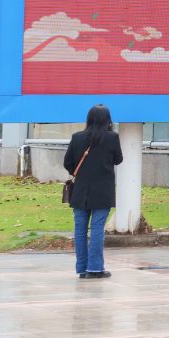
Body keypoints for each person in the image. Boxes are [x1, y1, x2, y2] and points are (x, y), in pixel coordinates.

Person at [62, 104, 123, 281]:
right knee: (97, 229)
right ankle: (95, 268)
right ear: (107, 120)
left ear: (89, 119)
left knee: (80, 229)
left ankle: (82, 269)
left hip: (80, 191)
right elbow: (118, 159)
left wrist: (80, 173)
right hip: (103, 191)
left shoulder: (77, 137)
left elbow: (67, 163)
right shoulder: (112, 137)